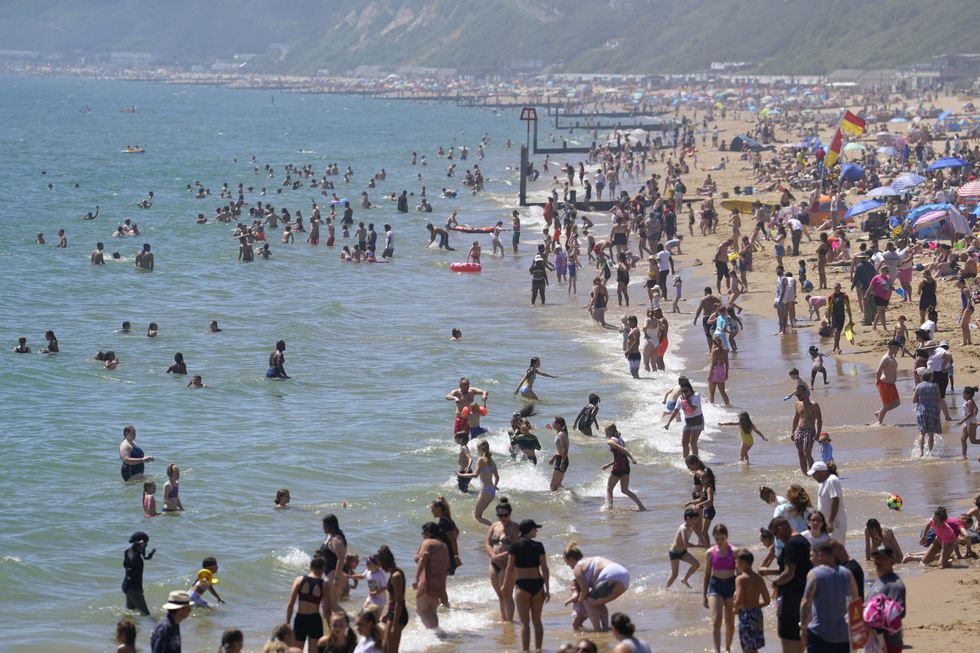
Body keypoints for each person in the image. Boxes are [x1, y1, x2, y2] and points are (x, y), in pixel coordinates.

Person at [800, 541, 859, 653]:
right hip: (843, 636)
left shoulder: (814, 574)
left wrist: (803, 628)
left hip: (819, 635)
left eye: (812, 555)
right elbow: (856, 602)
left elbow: (805, 602)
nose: (810, 559)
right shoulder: (847, 573)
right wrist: (857, 632)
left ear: (820, 554)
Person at [504, 519, 550, 653]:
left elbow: (509, 568)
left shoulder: (515, 546)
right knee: (537, 621)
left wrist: (505, 585)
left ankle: (525, 650)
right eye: (535, 529)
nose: (536, 531)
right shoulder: (539, 546)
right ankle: (539, 649)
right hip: (537, 584)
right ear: (529, 530)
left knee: (524, 623)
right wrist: (547, 588)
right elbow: (545, 569)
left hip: (522, 585)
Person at [768, 516, 812, 653]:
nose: (778, 538)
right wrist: (770, 572)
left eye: (776, 534)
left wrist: (775, 583)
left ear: (781, 526)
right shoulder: (803, 541)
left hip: (790, 599)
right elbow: (799, 569)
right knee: (799, 640)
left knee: (787, 641)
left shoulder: (792, 544)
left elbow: (789, 573)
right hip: (803, 596)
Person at [564, 543, 631, 631]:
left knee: (588, 602)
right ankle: (605, 627)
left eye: (567, 563)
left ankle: (597, 630)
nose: (568, 565)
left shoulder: (577, 567)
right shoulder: (590, 559)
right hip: (625, 577)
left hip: (611, 576)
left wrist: (580, 602)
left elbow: (584, 589)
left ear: (571, 559)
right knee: (597, 602)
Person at [703, 524, 737, 653]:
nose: (719, 541)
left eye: (722, 538)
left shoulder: (734, 551)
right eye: (717, 539)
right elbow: (706, 575)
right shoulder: (710, 553)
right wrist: (704, 595)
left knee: (730, 621)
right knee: (716, 620)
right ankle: (717, 650)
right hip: (715, 585)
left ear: (726, 537)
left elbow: (739, 574)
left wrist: (739, 592)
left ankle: (727, 648)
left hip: (730, 585)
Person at [486, 498, 520, 622]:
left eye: (505, 515)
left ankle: (509, 622)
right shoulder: (494, 526)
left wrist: (503, 555)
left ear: (510, 514)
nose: (503, 517)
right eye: (500, 515)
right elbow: (488, 543)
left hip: (507, 564)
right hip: (493, 563)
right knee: (500, 595)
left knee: (507, 594)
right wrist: (493, 555)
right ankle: (503, 620)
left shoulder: (515, 527)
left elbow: (517, 547)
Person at [867, 545, 906, 653]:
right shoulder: (879, 581)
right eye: (876, 558)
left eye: (882, 558)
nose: (878, 561)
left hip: (888, 643)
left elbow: (900, 612)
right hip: (874, 640)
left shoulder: (895, 585)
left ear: (892, 561)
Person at [733, 548, 770, 653]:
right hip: (757, 614)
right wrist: (755, 605)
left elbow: (739, 601)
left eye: (737, 562)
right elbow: (767, 600)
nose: (736, 564)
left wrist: (734, 610)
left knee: (747, 647)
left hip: (746, 615)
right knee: (754, 647)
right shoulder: (759, 579)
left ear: (743, 563)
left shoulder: (740, 579)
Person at [414, 521, 450, 629]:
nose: (422, 536)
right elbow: (447, 565)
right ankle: (438, 634)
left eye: (423, 533)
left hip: (427, 582)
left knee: (422, 611)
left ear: (428, 533)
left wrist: (416, 578)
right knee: (432, 611)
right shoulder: (443, 545)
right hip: (440, 583)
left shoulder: (427, 543)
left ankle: (436, 634)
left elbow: (423, 558)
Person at [287, 556, 326, 651]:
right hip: (315, 620)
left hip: (300, 619)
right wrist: (331, 627)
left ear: (310, 567)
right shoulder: (324, 584)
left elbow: (290, 605)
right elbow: (327, 609)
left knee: (296, 651)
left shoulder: (299, 580)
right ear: (323, 569)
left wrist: (287, 624)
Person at [603, 424, 646, 511]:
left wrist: (632, 458)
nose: (605, 434)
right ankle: (641, 506)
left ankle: (610, 508)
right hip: (626, 466)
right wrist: (608, 465)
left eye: (606, 432)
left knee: (609, 488)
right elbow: (620, 456)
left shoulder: (610, 441)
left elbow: (623, 450)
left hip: (619, 467)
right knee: (625, 490)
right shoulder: (621, 440)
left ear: (609, 432)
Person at [455, 439, 498, 524]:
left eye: (477, 449)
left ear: (480, 449)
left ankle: (496, 529)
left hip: (485, 491)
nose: (477, 451)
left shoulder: (481, 459)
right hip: (492, 491)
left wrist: (461, 475)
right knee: (479, 515)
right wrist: (495, 485)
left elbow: (475, 475)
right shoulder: (492, 461)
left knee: (477, 517)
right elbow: (497, 477)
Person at [664, 378, 704, 459]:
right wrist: (668, 423)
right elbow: (675, 411)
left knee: (693, 442)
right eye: (683, 391)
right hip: (688, 421)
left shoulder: (696, 395)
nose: (685, 393)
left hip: (697, 420)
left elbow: (693, 409)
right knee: (684, 442)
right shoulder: (680, 398)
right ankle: (685, 460)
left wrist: (686, 400)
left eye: (687, 391)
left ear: (691, 390)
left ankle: (696, 460)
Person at [808, 462, 847, 544]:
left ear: (821, 472)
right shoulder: (824, 483)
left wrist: (830, 522)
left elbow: (835, 500)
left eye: (814, 474)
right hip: (828, 523)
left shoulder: (832, 480)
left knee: (836, 549)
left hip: (836, 523)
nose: (813, 477)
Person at [666, 508, 703, 588]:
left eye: (697, 519)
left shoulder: (691, 526)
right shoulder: (683, 528)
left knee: (696, 564)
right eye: (694, 519)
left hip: (683, 552)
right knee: (675, 575)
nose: (696, 521)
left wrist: (702, 540)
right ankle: (666, 589)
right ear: (688, 518)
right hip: (674, 553)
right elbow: (685, 543)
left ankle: (684, 579)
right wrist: (698, 545)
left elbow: (698, 531)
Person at [320, 514, 349, 613]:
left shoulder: (336, 540)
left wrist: (337, 578)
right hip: (331, 573)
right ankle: (346, 623)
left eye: (324, 525)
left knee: (326, 604)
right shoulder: (330, 537)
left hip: (334, 574)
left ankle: (343, 623)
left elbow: (341, 558)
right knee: (332, 605)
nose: (323, 527)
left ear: (330, 526)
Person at [122, 531, 155, 615]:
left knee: (131, 613)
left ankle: (130, 627)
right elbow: (130, 563)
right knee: (146, 615)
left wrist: (147, 554)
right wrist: (139, 546)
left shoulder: (128, 552)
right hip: (133, 589)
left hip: (128, 586)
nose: (146, 545)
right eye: (146, 543)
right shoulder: (133, 556)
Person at [791, 384, 821, 474]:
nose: (798, 397)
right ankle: (805, 474)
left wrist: (818, 433)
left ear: (806, 393)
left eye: (799, 395)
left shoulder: (814, 405)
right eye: (797, 395)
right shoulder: (798, 404)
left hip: (810, 430)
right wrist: (792, 431)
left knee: (807, 453)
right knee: (800, 453)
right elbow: (796, 418)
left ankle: (814, 474)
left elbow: (819, 420)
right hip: (799, 431)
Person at [913, 369, 943, 456]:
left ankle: (921, 452)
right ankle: (930, 452)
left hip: (921, 410)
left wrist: (923, 400)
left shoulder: (918, 386)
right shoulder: (935, 385)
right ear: (930, 377)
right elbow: (939, 399)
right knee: (931, 434)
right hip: (932, 410)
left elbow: (914, 400)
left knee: (921, 432)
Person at [430, 496, 461, 575]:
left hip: (448, 557)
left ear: (438, 509)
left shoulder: (443, 522)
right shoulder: (448, 519)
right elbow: (456, 532)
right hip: (448, 554)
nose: (431, 511)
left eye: (432, 509)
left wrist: (456, 556)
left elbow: (453, 539)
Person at [874, 341, 902, 425]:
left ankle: (879, 412)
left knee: (897, 403)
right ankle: (879, 422)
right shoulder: (886, 358)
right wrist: (877, 380)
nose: (898, 349)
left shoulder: (892, 357)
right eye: (897, 348)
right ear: (890, 347)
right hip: (884, 383)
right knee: (886, 405)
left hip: (891, 384)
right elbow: (878, 371)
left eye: (898, 348)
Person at [549, 416, 570, 491]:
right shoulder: (560, 433)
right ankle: (570, 495)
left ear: (558, 424)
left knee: (552, 485)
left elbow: (565, 448)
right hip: (560, 459)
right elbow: (560, 449)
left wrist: (562, 462)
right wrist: (553, 458)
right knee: (558, 484)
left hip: (562, 460)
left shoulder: (561, 434)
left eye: (554, 422)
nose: (552, 424)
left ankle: (554, 501)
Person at [959, 385, 980, 460]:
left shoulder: (970, 401)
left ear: (969, 395)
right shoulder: (968, 401)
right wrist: (974, 416)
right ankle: (964, 456)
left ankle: (964, 455)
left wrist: (962, 420)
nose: (963, 395)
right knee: (963, 439)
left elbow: (971, 413)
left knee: (973, 441)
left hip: (971, 423)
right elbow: (976, 409)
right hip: (968, 422)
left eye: (964, 393)